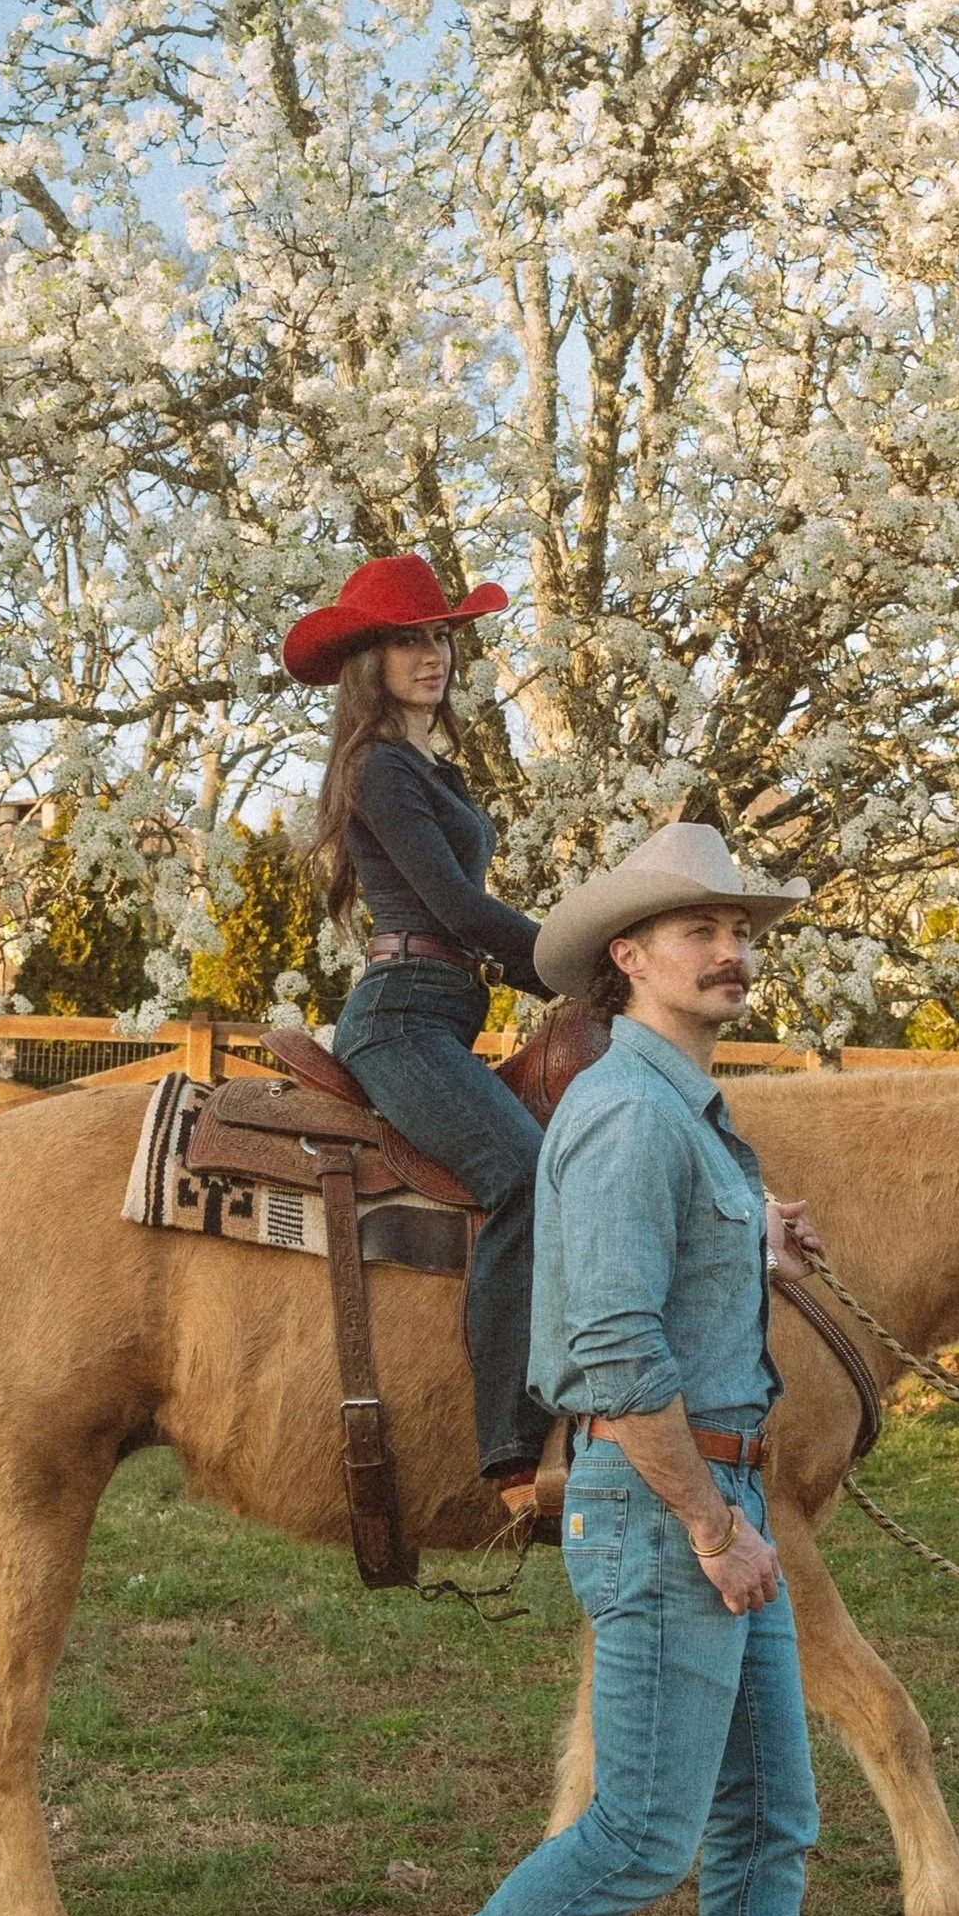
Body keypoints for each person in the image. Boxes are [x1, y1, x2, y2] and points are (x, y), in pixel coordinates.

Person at [290, 822, 940, 1916]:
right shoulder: (629, 1110)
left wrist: (750, 1241)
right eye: (695, 927)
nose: (730, 947)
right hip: (666, 1514)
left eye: (739, 925)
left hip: (713, 1500)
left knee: (768, 1823)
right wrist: (713, 1528)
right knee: (641, 1834)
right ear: (625, 958)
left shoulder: (683, 1106)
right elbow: (606, 1347)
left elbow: (649, 1268)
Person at [288, 553, 558, 1516]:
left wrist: (553, 964)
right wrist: (570, 956)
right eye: (408, 639)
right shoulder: (378, 768)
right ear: (370, 659)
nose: (432, 654)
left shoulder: (425, 766)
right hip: (399, 1018)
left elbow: (468, 916)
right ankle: (512, 1455)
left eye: (440, 635)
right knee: (523, 1175)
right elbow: (450, 903)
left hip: (440, 1010)